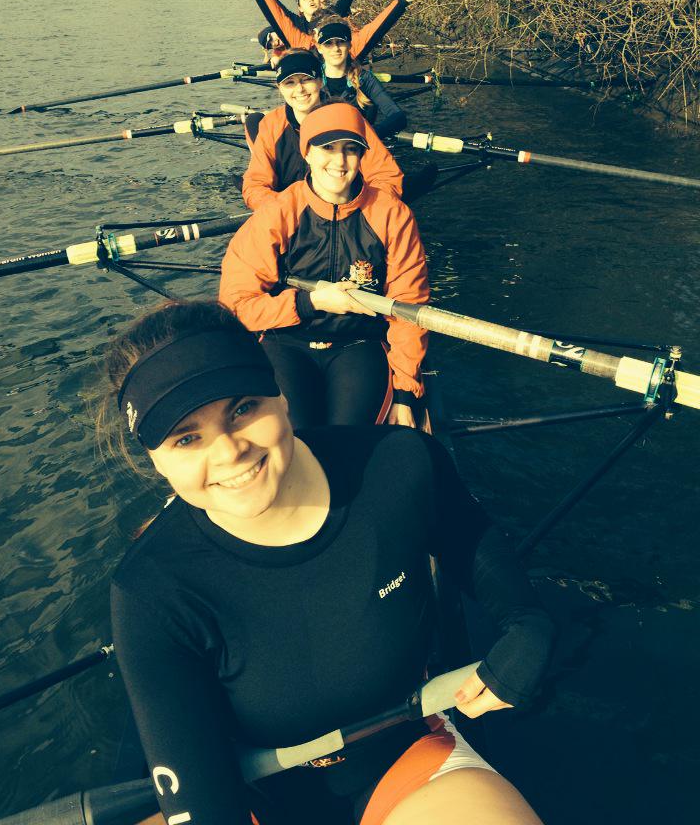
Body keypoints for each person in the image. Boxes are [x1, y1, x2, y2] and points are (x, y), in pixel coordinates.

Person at [106, 299, 554, 825]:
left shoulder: (400, 463)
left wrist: (531, 631)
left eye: (243, 408)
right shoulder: (148, 590)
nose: (228, 452)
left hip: (401, 755)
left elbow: (506, 591)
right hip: (246, 794)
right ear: (155, 460)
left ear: (281, 393)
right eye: (188, 438)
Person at [222, 101, 428, 430]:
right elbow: (236, 306)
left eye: (351, 149)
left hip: (359, 343)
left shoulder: (392, 214)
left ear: (363, 157)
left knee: (345, 440)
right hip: (286, 341)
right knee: (294, 437)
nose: (339, 161)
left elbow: (409, 307)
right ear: (307, 153)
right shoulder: (277, 213)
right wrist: (310, 302)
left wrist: (405, 393)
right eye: (327, 148)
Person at [242, 49, 403, 211]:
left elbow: (386, 176)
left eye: (306, 80)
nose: (299, 90)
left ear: (320, 82)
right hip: (290, 212)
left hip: (346, 211)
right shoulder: (271, 124)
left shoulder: (348, 118)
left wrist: (361, 210)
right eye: (290, 82)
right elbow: (255, 186)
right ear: (280, 88)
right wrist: (283, 210)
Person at [236, 0, 426, 63]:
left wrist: (402, 1)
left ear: (320, 0)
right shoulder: (298, 32)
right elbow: (276, 12)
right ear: (300, 8)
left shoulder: (335, 17)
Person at [312, 16, 407, 139]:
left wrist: (370, 135)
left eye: (340, 42)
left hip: (358, 146)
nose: (335, 48)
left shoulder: (365, 79)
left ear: (349, 45)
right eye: (328, 43)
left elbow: (399, 117)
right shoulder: (312, 79)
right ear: (320, 48)